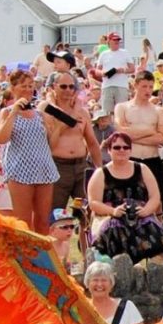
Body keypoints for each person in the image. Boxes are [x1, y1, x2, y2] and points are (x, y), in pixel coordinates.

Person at [0, 68, 59, 234]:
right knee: (23, 222)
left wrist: (51, 125)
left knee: (43, 221)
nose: (28, 89)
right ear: (13, 87)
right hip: (20, 170)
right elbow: (1, 138)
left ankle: (43, 256)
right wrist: (14, 111)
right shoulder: (7, 112)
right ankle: (25, 257)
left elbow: (50, 143)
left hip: (44, 168)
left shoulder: (39, 113)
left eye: (31, 86)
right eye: (23, 86)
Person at [88, 133, 163, 261]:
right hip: (111, 216)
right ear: (109, 150)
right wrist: (113, 211)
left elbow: (155, 196)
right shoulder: (101, 173)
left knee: (157, 238)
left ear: (130, 150)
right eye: (117, 147)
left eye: (126, 147)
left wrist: (146, 210)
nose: (122, 150)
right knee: (115, 232)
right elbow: (93, 202)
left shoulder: (142, 169)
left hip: (141, 215)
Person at [41, 59, 102, 213]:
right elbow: (49, 144)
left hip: (81, 166)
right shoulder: (47, 109)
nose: (68, 90)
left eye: (71, 87)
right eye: (63, 86)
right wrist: (63, 125)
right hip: (58, 167)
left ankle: (84, 238)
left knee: (85, 213)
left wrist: (100, 168)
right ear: (54, 87)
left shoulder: (82, 112)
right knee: (55, 213)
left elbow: (92, 142)